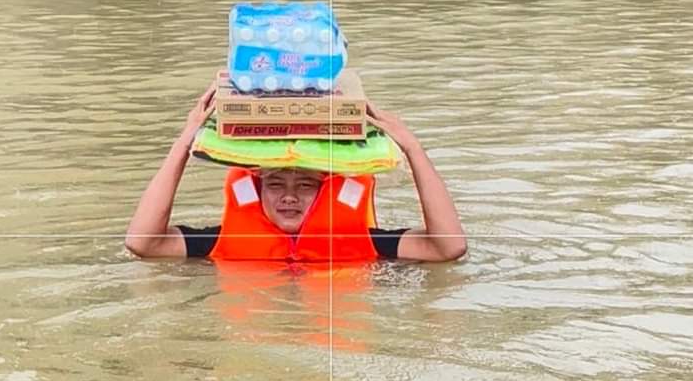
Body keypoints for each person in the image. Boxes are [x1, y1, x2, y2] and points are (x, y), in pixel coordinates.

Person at [124, 82, 467, 264]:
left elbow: (447, 248)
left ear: (324, 190)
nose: (289, 196)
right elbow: (143, 243)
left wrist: (413, 148)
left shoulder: (369, 243)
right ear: (256, 190)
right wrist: (186, 140)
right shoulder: (219, 241)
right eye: (275, 184)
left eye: (305, 185)